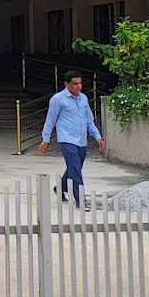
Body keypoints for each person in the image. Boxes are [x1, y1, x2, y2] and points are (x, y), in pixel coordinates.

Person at [38, 70, 104, 204]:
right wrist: (46, 139)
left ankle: (61, 187)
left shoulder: (83, 98)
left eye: (80, 83)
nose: (78, 86)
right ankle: (80, 199)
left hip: (81, 139)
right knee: (75, 170)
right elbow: (50, 120)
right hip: (67, 139)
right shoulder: (58, 99)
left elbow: (89, 119)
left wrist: (97, 136)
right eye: (75, 84)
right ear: (67, 84)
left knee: (75, 167)